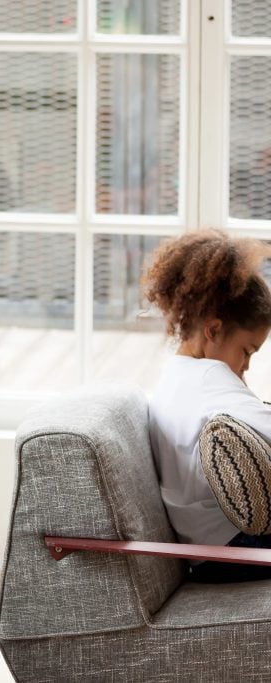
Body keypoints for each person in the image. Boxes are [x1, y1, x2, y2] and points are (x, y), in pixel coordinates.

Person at [143, 228, 271, 583]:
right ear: (213, 331)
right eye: (247, 351)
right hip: (237, 547)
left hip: (207, 555)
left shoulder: (174, 375)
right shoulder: (209, 376)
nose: (245, 366)